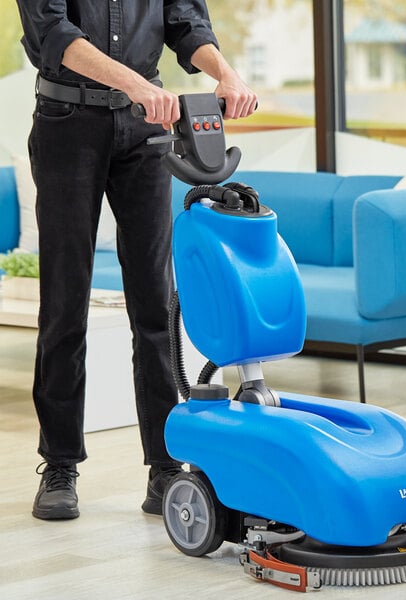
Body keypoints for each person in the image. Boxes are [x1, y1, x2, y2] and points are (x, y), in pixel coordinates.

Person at [15, 0, 257, 520]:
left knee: (155, 303)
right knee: (64, 301)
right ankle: (60, 465)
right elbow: (52, 32)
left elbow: (186, 24)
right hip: (66, 122)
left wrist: (226, 73)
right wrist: (135, 84)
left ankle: (166, 465)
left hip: (146, 126)